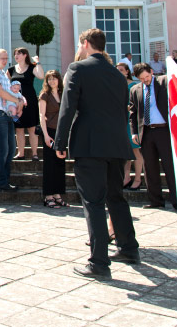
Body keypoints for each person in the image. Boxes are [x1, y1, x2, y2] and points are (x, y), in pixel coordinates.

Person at [54, 28, 139, 278]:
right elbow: (124, 113)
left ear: (87, 43)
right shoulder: (117, 74)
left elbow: (68, 107)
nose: (78, 49)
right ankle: (129, 248)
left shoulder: (78, 68)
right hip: (117, 144)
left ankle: (99, 262)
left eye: (80, 45)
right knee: (116, 197)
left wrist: (60, 142)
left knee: (93, 201)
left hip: (90, 144)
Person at [130, 62, 177, 210]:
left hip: (164, 131)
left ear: (151, 72)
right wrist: (134, 133)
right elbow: (133, 113)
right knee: (150, 168)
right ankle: (156, 200)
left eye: (147, 77)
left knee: (170, 167)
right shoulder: (135, 90)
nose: (146, 80)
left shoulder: (164, 81)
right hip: (146, 132)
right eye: (142, 79)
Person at [0, 49, 23, 192]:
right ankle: (0, 183)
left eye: (7, 58)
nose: (5, 61)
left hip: (5, 115)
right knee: (3, 149)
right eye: (3, 58)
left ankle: (5, 181)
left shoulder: (2, 74)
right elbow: (0, 92)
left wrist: (18, 103)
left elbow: (9, 94)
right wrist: (17, 100)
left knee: (10, 149)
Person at [39, 69, 67, 209]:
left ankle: (58, 195)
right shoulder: (45, 95)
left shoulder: (63, 94)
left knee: (60, 164)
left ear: (58, 80)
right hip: (49, 131)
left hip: (61, 132)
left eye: (54, 78)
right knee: (49, 165)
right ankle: (48, 196)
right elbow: (41, 116)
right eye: (49, 79)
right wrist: (45, 135)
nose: (52, 81)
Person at [9, 47, 45, 160]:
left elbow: (41, 76)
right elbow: (5, 84)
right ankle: (21, 153)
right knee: (19, 128)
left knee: (31, 128)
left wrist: (38, 61)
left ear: (25, 55)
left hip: (30, 101)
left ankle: (34, 153)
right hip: (16, 102)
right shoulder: (11, 69)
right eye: (15, 54)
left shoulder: (32, 67)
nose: (16, 56)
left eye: (19, 53)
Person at [116, 62, 144, 191]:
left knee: (135, 150)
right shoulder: (116, 85)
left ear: (127, 72)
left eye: (121, 70)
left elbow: (137, 104)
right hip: (121, 120)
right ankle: (126, 177)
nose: (119, 72)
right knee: (125, 151)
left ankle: (138, 178)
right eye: (117, 70)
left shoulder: (133, 85)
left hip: (131, 121)